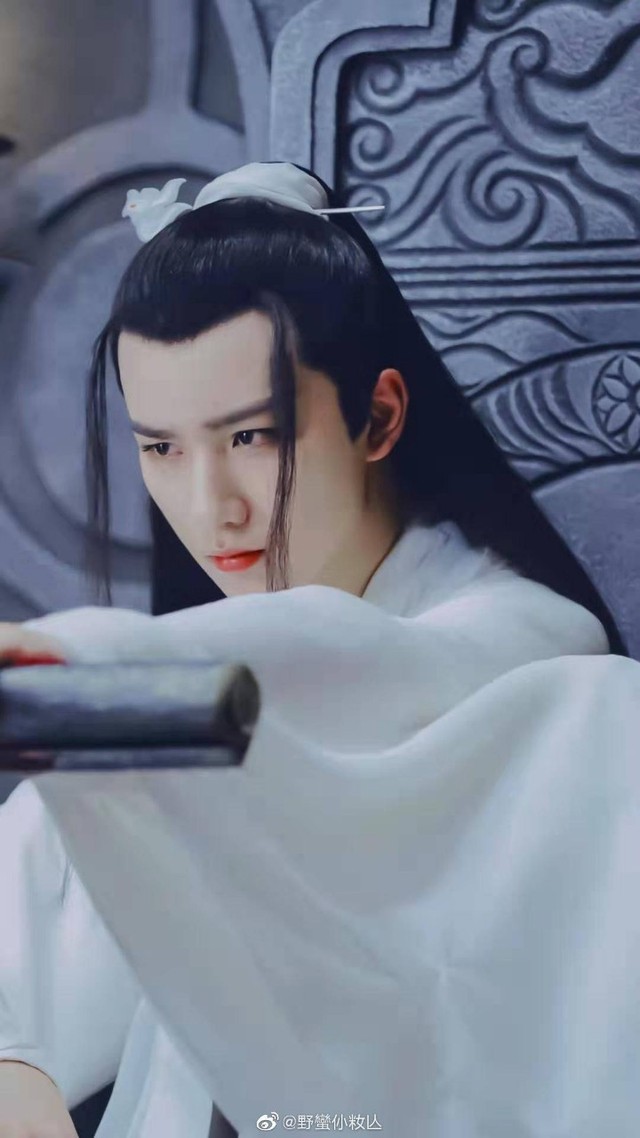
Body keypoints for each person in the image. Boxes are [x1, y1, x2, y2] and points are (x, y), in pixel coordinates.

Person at [0, 162, 638, 1138]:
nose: (209, 506)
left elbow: (351, 664)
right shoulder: (179, 722)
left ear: (378, 415)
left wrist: (75, 678)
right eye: (161, 447)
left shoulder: (535, 652)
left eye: (251, 437)